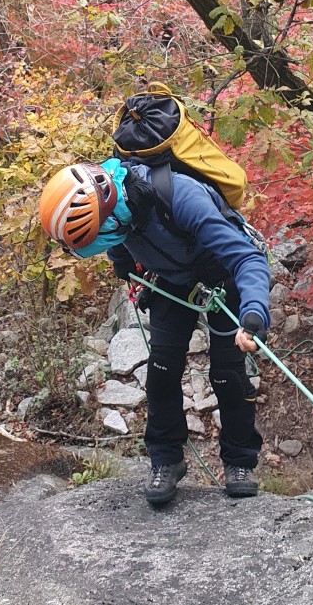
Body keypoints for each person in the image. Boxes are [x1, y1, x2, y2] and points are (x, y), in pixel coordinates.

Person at [39, 157, 271, 505]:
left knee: (227, 374)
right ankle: (167, 461)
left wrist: (254, 312)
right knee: (161, 371)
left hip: (223, 274)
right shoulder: (117, 210)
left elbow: (247, 259)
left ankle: (239, 463)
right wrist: (123, 265)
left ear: (110, 215)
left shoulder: (181, 197)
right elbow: (116, 237)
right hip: (172, 282)